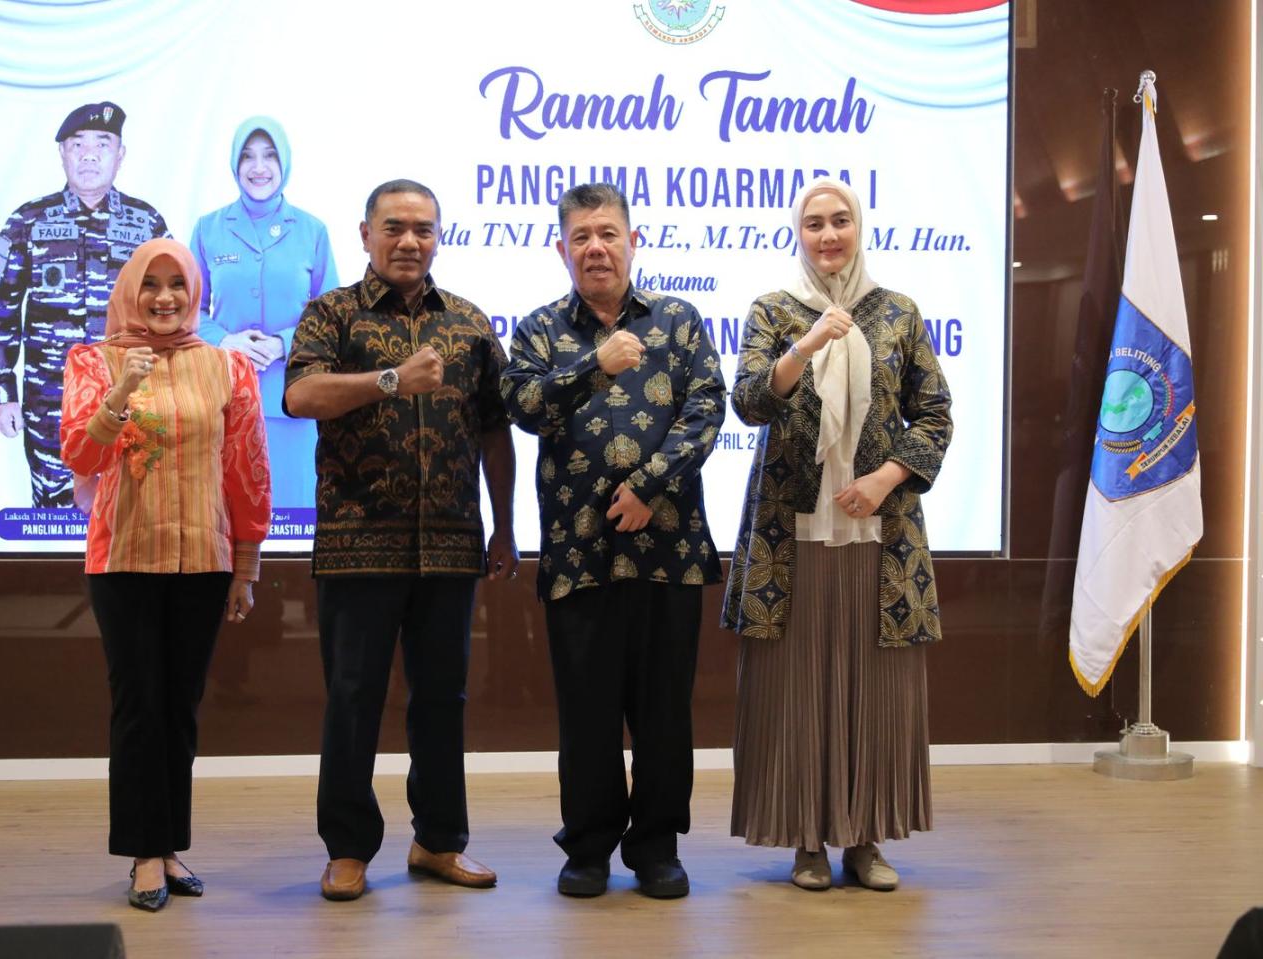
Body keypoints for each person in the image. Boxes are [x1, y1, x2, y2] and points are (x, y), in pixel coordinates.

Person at [283, 179, 517, 902]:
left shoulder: (469, 323)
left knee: (442, 699)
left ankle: (439, 841)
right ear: (365, 234)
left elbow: (494, 431)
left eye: (423, 229)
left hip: (451, 543)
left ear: (438, 237)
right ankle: (348, 849)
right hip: (357, 542)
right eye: (394, 227)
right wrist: (390, 379)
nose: (409, 241)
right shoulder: (332, 313)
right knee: (353, 698)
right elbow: (299, 396)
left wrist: (506, 526)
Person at [721, 177, 953, 892]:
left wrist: (885, 478)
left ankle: (866, 839)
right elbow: (749, 401)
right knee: (795, 691)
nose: (828, 234)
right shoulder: (773, 310)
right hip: (790, 538)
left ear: (859, 228)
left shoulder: (898, 312)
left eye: (840, 220)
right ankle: (806, 841)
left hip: (879, 538)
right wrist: (807, 344)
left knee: (874, 692)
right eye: (814, 222)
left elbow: (935, 414)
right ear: (798, 233)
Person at [501, 182, 726, 900]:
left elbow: (706, 410)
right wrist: (594, 364)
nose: (596, 248)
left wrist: (649, 485)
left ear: (634, 240)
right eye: (581, 237)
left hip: (669, 550)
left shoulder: (679, 320)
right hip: (579, 553)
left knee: (664, 713)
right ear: (561, 248)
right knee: (587, 713)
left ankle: (657, 847)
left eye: (608, 233)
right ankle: (589, 847)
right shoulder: (539, 330)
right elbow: (523, 405)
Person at [60, 238, 271, 912]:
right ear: (130, 291)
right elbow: (79, 455)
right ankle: (143, 853)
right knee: (138, 707)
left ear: (194, 292)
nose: (164, 298)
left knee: (179, 707)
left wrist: (246, 564)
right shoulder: (93, 361)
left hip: (204, 560)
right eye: (150, 285)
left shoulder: (228, 367)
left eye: (176, 284)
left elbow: (247, 468)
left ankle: (171, 845)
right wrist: (121, 391)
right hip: (123, 559)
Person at [0, 101, 170, 508]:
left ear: (120, 154)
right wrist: (1, 394)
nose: (89, 154)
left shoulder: (148, 225)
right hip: (51, 408)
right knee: (54, 522)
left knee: (132, 517)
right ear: (62, 153)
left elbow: (171, 319)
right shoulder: (26, 222)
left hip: (132, 406)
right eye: (77, 144)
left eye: (102, 143)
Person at [190, 116, 339, 509]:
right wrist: (225, 340)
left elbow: (333, 317)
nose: (259, 167)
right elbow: (187, 311)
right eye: (248, 156)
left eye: (269, 155)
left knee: (293, 522)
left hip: (294, 406)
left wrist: (283, 343)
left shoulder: (312, 231)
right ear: (235, 164)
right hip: (224, 403)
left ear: (284, 161)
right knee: (227, 521)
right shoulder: (208, 229)